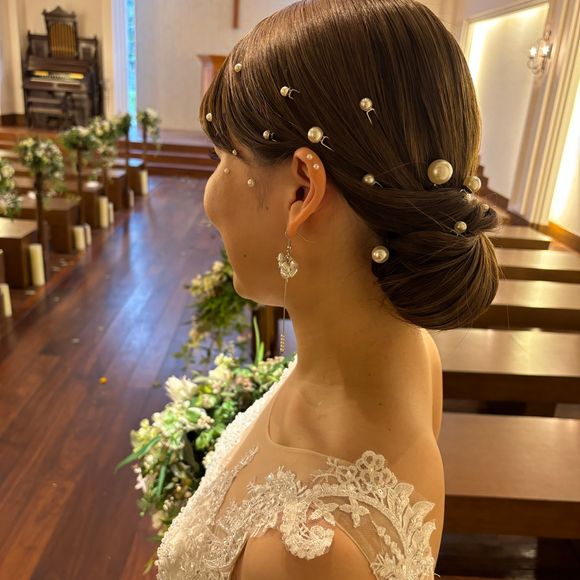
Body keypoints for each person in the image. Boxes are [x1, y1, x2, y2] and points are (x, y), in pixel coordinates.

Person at [156, 0, 501, 578]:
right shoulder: (411, 353)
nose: (210, 197)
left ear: (302, 190)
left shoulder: (301, 551)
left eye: (222, 160)